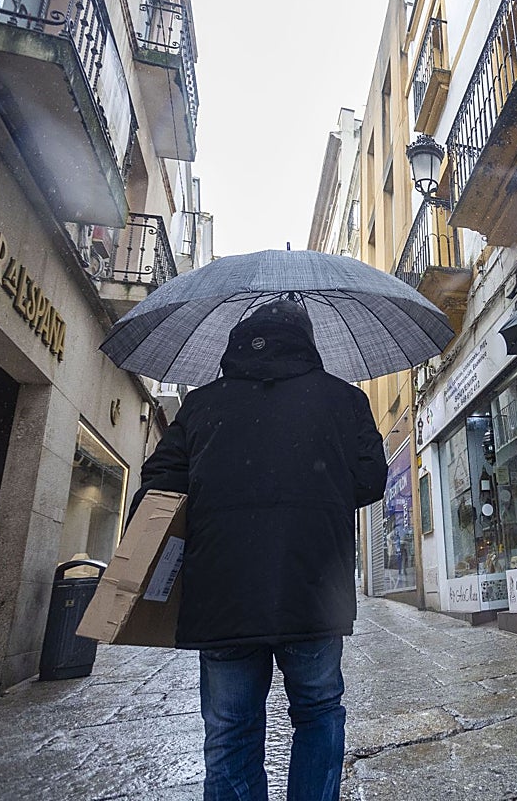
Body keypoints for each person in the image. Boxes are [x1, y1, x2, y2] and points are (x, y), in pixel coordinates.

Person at [129, 300, 388, 801]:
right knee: (317, 712)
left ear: (239, 340)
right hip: (313, 590)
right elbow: (370, 481)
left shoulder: (200, 405)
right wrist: (316, 487)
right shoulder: (344, 400)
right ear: (308, 341)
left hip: (222, 593)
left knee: (231, 729)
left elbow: (159, 487)